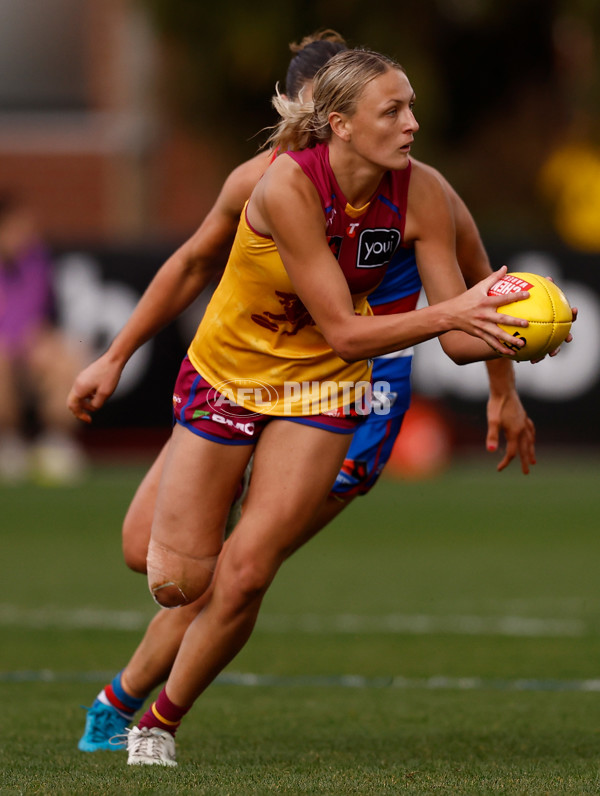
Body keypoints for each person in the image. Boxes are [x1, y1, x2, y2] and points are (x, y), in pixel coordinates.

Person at [69, 46, 548, 766]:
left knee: (249, 567)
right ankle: (128, 686)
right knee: (171, 574)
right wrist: (114, 355)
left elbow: (457, 321)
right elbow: (346, 322)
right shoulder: (276, 185)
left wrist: (518, 345)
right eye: (395, 110)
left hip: (334, 385)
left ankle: (152, 723)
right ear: (336, 122)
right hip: (233, 377)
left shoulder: (422, 193)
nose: (414, 123)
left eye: (410, 105)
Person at [0, 193, 88, 485]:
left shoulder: (36, 259)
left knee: (65, 354)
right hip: (7, 350)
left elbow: (35, 312)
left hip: (30, 349)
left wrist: (29, 343)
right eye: (17, 227)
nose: (25, 234)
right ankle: (7, 443)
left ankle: (56, 442)